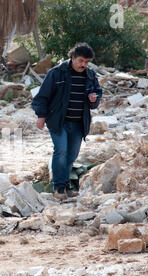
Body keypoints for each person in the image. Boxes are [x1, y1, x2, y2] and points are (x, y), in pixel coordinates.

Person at [31, 43, 103, 200]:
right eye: (81, 61)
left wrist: (93, 99)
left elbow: (96, 97)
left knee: (72, 155)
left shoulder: (90, 75)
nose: (83, 65)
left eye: (86, 62)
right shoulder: (56, 73)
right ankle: (58, 188)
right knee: (61, 150)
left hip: (79, 123)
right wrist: (41, 116)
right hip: (58, 121)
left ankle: (65, 186)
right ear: (73, 58)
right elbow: (42, 96)